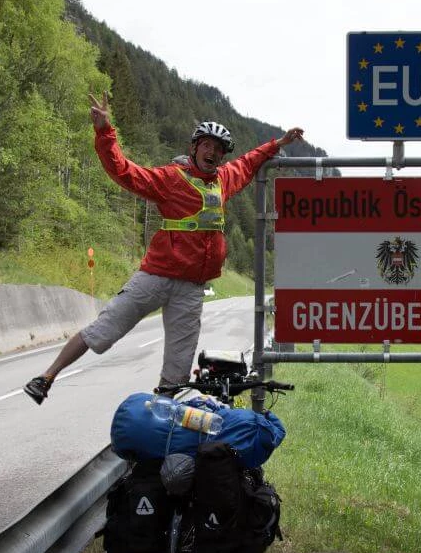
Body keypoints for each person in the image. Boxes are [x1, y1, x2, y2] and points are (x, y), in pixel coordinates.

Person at [23, 91, 304, 404]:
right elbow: (124, 171)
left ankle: (162, 423)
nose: (212, 152)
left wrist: (276, 145)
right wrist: (105, 131)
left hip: (191, 289)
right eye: (207, 145)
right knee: (103, 330)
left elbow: (249, 162)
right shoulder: (171, 178)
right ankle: (46, 377)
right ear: (195, 148)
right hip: (154, 277)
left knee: (178, 368)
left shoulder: (224, 179)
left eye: (218, 149)